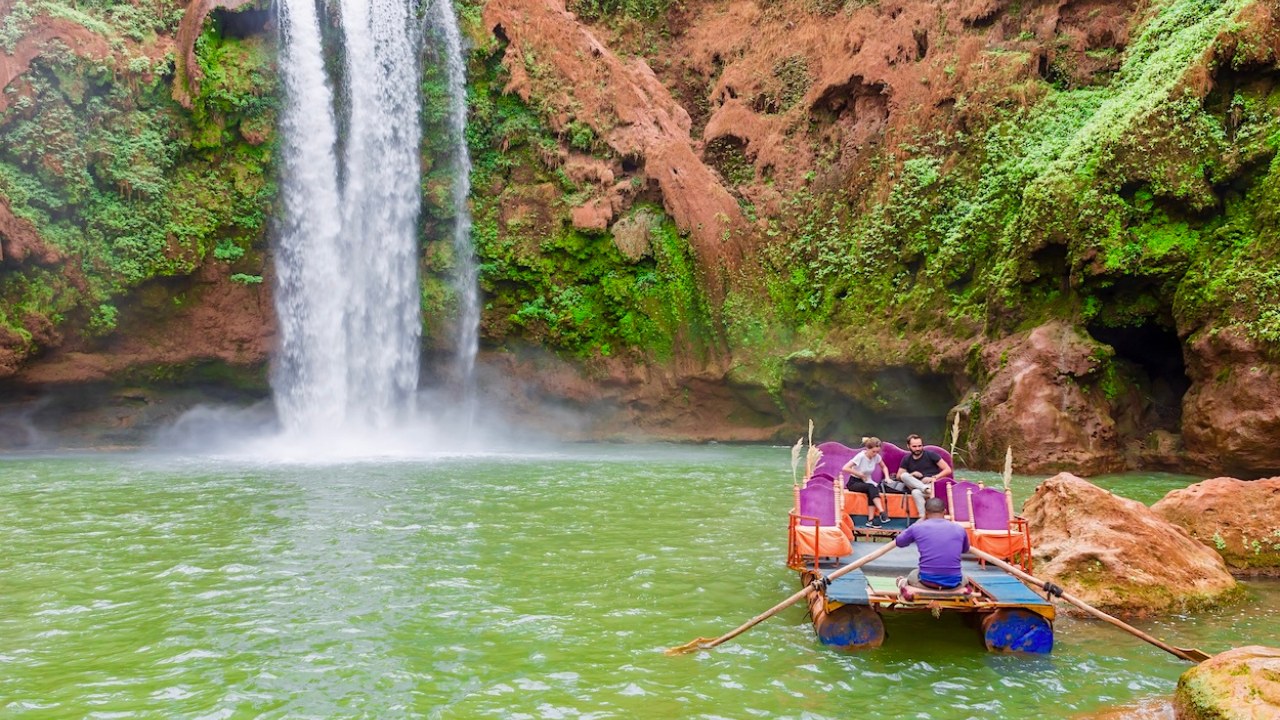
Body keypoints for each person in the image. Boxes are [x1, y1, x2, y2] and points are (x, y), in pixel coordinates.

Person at [894, 497, 969, 589]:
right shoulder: (959, 529)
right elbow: (965, 549)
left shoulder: (917, 527)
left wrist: (920, 521)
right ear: (945, 512)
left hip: (927, 582)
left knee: (913, 574)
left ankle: (903, 583)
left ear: (925, 513)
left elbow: (899, 542)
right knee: (964, 577)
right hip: (954, 582)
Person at [891, 434, 953, 517]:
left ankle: (923, 515)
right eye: (914, 446)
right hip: (918, 486)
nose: (918, 449)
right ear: (908, 446)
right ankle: (924, 492)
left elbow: (947, 469)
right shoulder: (906, 459)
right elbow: (899, 476)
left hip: (931, 486)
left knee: (915, 492)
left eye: (920, 446)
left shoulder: (931, 455)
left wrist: (933, 477)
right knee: (904, 476)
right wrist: (912, 474)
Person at [841, 436, 892, 528]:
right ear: (867, 449)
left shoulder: (876, 457)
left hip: (867, 481)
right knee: (870, 487)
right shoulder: (861, 456)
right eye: (873, 452)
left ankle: (871, 520)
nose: (875, 454)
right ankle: (882, 512)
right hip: (855, 482)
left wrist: (887, 477)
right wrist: (859, 474)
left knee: (872, 490)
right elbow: (845, 467)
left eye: (877, 452)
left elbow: (884, 467)